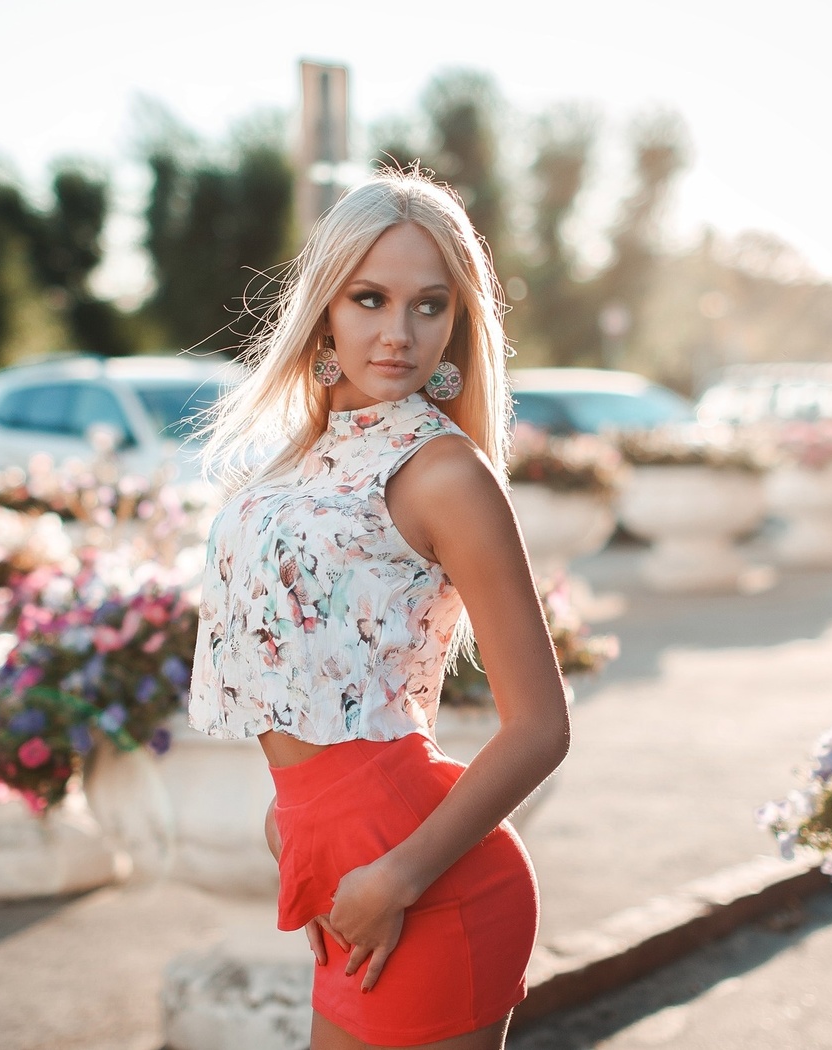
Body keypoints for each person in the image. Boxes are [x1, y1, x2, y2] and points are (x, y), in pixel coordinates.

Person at [189, 168, 571, 1050]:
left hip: (425, 880)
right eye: (370, 299)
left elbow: (542, 726)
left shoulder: (446, 473)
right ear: (326, 306)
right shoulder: (302, 457)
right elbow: (372, 659)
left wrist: (393, 878)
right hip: (337, 862)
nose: (399, 335)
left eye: (428, 307)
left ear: (457, 319)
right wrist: (292, 821)